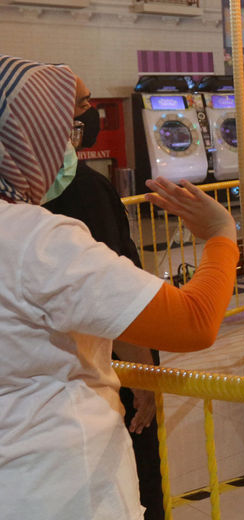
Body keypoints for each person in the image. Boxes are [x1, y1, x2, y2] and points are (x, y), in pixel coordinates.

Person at [0, 55, 239, 519]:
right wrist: (220, 236)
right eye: (60, 132)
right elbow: (193, 321)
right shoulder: (34, 239)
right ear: (27, 139)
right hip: (60, 482)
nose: (66, 147)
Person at [43, 86, 165, 520]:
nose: (89, 113)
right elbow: (118, 296)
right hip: (104, 369)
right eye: (80, 105)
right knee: (137, 472)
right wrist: (222, 239)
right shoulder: (84, 191)